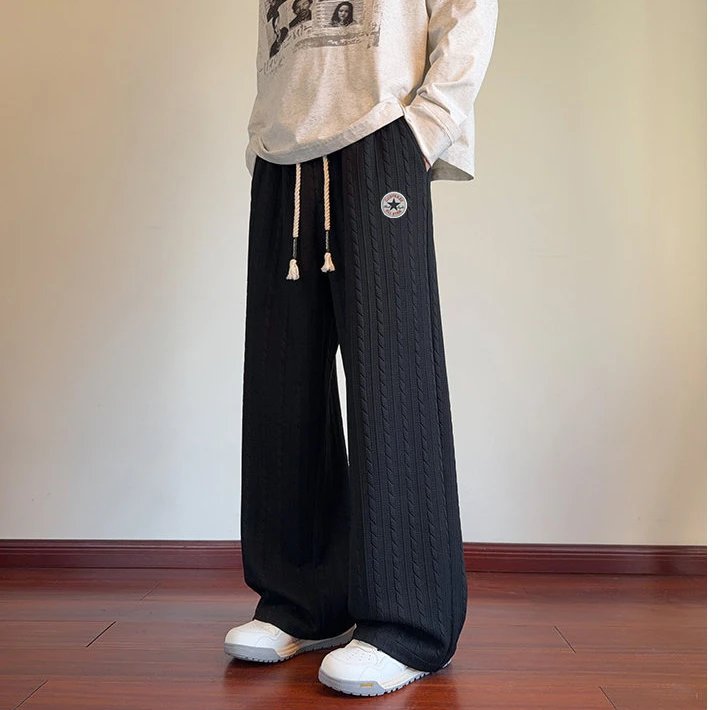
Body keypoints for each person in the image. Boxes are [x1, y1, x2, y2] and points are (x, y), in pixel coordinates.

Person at [224, 0, 498, 697]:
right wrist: (261, 133)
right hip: (283, 152)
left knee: (391, 376)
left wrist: (427, 126)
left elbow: (468, 10)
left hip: (381, 135)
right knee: (281, 382)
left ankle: (410, 624)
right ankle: (303, 601)